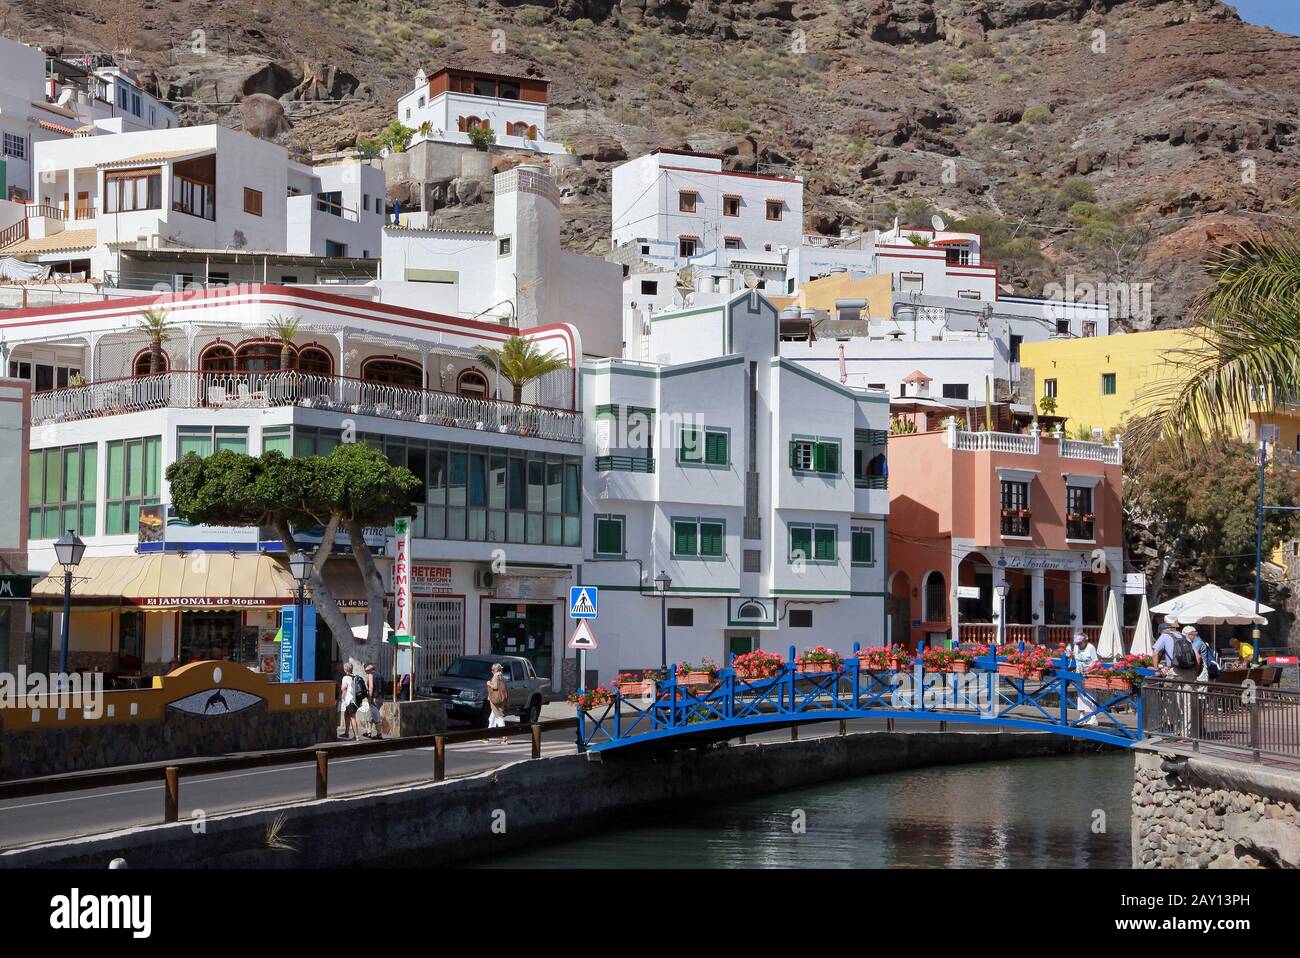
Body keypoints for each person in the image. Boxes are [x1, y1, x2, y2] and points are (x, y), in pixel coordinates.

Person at [1071, 632, 1102, 727]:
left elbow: (1096, 662)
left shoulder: (1090, 648)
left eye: (1080, 643)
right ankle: (1082, 716)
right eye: (1077, 643)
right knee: (1080, 695)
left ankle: (1093, 717)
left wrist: (1088, 669)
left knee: (1090, 694)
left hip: (1090, 675)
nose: (1078, 644)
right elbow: (1075, 658)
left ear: (1085, 640)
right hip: (1079, 674)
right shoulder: (1076, 647)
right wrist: (1069, 654)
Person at [486, 662, 510, 744]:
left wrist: (489, 683)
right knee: (492, 718)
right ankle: (487, 736)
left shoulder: (496, 676)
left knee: (499, 718)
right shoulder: (502, 677)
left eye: (492, 670)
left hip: (495, 701)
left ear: (493, 670)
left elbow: (495, 687)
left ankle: (505, 737)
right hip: (500, 699)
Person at [340, 663, 360, 741]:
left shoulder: (345, 677)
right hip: (355, 700)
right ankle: (346, 732)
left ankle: (356, 736)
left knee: (352, 717)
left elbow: (344, 688)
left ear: (345, 669)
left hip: (350, 700)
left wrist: (342, 698)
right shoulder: (355, 676)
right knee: (346, 714)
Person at [363, 663, 382, 740]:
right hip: (380, 698)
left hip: (374, 698)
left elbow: (371, 687)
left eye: (367, 671)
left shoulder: (371, 675)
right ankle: (369, 732)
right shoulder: (379, 675)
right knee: (370, 715)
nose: (366, 673)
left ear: (370, 670)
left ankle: (379, 734)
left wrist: (369, 699)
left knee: (375, 717)